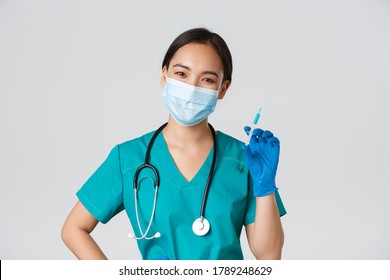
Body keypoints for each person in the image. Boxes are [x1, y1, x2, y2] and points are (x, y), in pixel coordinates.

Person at [61, 27, 286, 260]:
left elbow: (269, 256)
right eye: (181, 74)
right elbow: (73, 229)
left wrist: (265, 187)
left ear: (223, 89)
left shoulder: (243, 160)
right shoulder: (128, 158)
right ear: (164, 75)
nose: (192, 87)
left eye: (207, 79)